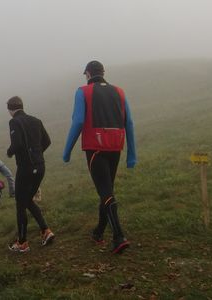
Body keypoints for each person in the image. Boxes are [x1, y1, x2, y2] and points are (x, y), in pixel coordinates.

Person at [62, 60, 136, 254]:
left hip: (95, 148)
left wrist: (67, 150)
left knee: (105, 192)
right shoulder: (120, 91)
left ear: (87, 74)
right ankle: (99, 232)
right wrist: (132, 155)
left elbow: (78, 121)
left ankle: (119, 236)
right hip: (116, 147)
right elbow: (129, 122)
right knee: (106, 190)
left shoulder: (82, 91)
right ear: (103, 72)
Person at [6, 96, 55, 252]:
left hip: (25, 168)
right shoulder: (36, 120)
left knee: (21, 204)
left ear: (10, 109)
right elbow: (47, 141)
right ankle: (46, 231)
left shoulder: (14, 121)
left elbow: (17, 143)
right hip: (40, 167)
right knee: (27, 200)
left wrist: (9, 152)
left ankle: (22, 243)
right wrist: (37, 154)